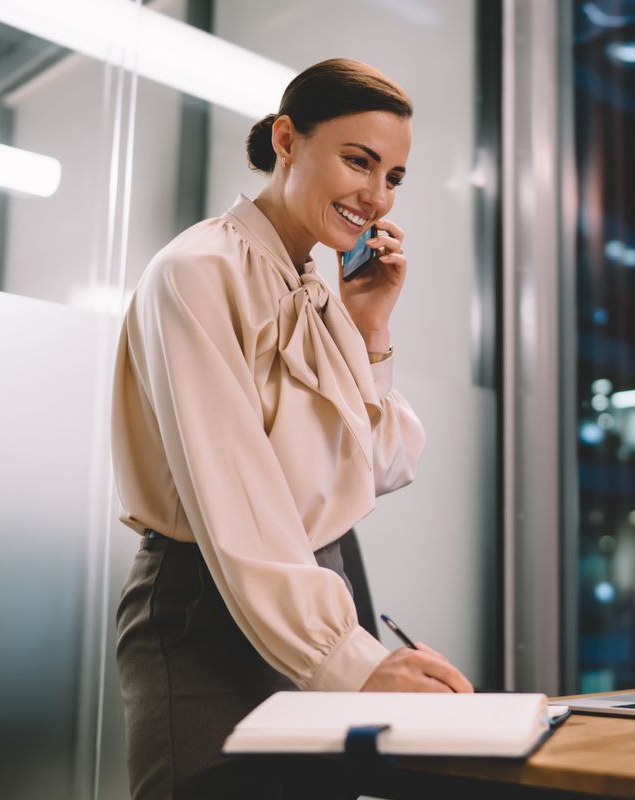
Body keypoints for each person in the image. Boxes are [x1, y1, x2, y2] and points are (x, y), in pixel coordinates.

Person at [111, 58, 473, 800]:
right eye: (358, 161)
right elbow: (236, 494)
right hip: (209, 610)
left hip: (312, 590)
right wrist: (349, 658)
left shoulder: (317, 287)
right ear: (286, 139)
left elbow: (379, 467)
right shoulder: (198, 270)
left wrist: (370, 329)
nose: (375, 196)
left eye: (395, 177)